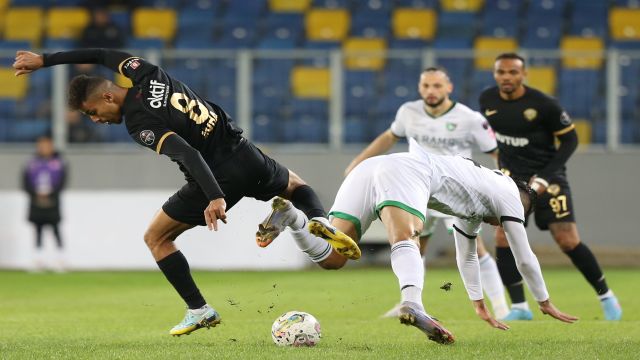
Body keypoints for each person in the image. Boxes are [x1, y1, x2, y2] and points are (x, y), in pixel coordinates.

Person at [13, 48, 360, 336]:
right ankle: (313, 218)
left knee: (156, 238)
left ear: (107, 96)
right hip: (243, 150)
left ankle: (199, 309)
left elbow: (188, 154)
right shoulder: (147, 73)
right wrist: (46, 59)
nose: (96, 119)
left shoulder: (138, 123)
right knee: (298, 187)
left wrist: (214, 195)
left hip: (215, 175)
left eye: (92, 112)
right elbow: (102, 53)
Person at [260, 139, 578, 345]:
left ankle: (293, 218)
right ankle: (412, 303)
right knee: (406, 236)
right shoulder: (510, 194)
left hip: (368, 170)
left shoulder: (476, 203)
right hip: (406, 171)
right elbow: (524, 257)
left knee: (333, 258)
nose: (503, 227)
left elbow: (466, 256)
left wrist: (478, 303)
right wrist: (545, 301)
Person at [344, 67, 509, 319]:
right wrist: (359, 162)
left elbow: (497, 152)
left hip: (456, 192)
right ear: (420, 88)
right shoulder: (408, 112)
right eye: (426, 86)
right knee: (413, 243)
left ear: (449, 88)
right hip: (418, 188)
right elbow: (389, 136)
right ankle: (409, 302)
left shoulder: (470, 119)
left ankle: (501, 308)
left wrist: (503, 189)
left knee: (475, 247)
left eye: (437, 86)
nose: (431, 91)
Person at [479, 52, 622, 321]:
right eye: (501, 72)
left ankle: (607, 296)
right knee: (502, 236)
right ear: (495, 74)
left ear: (524, 75)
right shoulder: (487, 99)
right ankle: (520, 307)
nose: (507, 77)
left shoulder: (544, 105)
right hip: (511, 179)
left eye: (513, 72)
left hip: (548, 177)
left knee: (567, 239)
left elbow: (570, 141)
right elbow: (492, 133)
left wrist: (544, 177)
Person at [22, 136, 68, 272]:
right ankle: (38, 261)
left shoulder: (59, 163)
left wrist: (51, 195)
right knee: (37, 230)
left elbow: (62, 182)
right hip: (36, 202)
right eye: (41, 145)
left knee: (55, 230)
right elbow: (25, 182)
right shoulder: (31, 163)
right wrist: (35, 195)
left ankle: (60, 260)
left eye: (47, 145)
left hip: (53, 202)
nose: (44, 148)